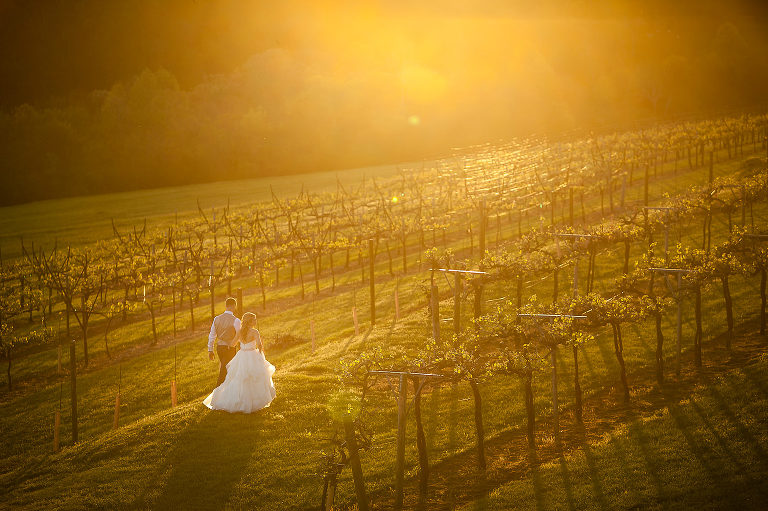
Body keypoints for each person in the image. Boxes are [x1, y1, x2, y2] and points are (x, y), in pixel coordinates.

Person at [203, 312, 276, 413]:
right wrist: (261, 355)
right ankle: (253, 402)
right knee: (253, 378)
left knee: (239, 379)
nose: (256, 321)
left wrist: (224, 343)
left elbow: (232, 344)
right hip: (252, 355)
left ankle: (238, 401)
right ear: (250, 321)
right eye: (254, 319)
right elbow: (259, 345)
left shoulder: (240, 332)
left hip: (241, 355)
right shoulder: (255, 332)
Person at [208, 297, 241, 386]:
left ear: (226, 306)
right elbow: (239, 335)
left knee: (226, 370)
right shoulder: (236, 320)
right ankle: (217, 394)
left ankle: (227, 392)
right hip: (229, 349)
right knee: (224, 372)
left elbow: (212, 335)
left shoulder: (216, 319)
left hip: (219, 348)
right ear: (234, 306)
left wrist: (210, 350)